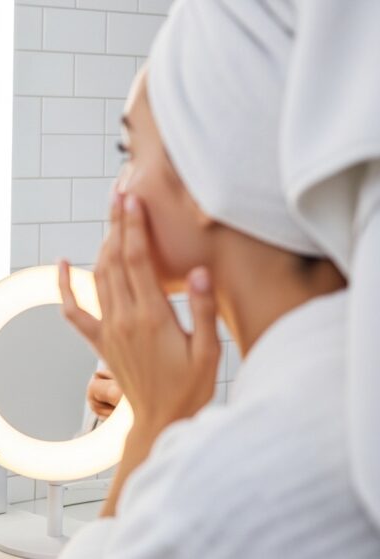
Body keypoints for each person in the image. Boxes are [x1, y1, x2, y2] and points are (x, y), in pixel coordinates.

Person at [56, 0, 380, 556]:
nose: (120, 189)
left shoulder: (223, 488)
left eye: (128, 150)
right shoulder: (343, 395)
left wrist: (154, 428)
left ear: (206, 168)